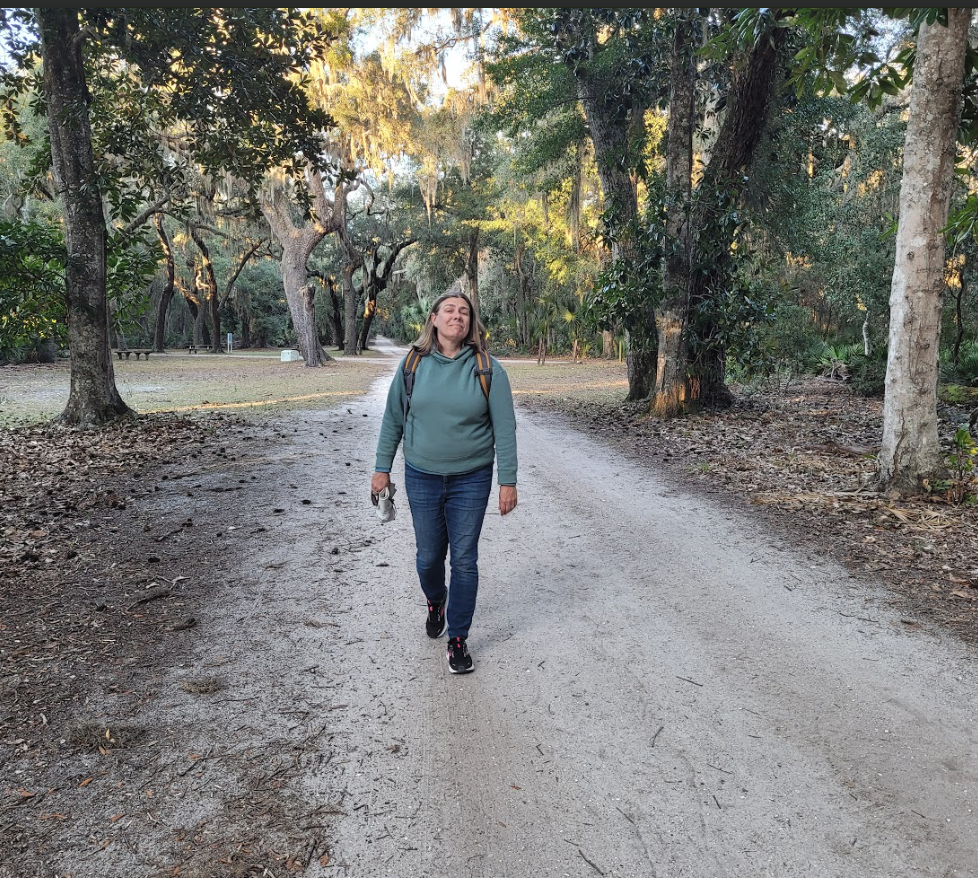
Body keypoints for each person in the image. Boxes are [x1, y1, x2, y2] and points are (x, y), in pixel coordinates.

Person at [371, 290, 518, 674]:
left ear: (471, 323)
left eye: (464, 312)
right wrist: (381, 468)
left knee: (465, 560)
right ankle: (435, 599)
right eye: (449, 310)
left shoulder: (488, 368)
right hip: (422, 475)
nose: (457, 316)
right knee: (429, 556)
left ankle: (458, 638)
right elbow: (393, 420)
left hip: (472, 477)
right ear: (433, 319)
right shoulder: (412, 366)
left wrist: (508, 480)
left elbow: (505, 428)